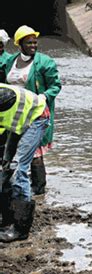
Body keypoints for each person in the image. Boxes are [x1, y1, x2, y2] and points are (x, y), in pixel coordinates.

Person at [2, 25, 61, 196]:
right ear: (19, 44)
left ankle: (39, 186)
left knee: (34, 149)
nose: (33, 46)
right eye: (29, 43)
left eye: (35, 42)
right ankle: (11, 185)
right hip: (14, 113)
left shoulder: (44, 62)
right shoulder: (10, 61)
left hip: (36, 112)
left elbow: (56, 85)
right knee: (12, 150)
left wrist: (44, 96)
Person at [0, 83, 49, 242]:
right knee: (5, 167)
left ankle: (21, 229)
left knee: (18, 170)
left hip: (37, 117)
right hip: (19, 120)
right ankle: (7, 222)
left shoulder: (2, 95)